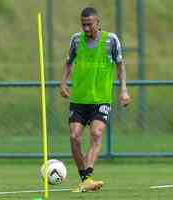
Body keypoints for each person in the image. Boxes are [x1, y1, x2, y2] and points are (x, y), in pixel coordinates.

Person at [60, 7, 131, 192]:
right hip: (79, 99)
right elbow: (68, 62)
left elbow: (120, 66)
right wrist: (63, 83)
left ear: (98, 23)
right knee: (74, 136)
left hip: (101, 99)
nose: (86, 28)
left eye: (89, 24)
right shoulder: (76, 40)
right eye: (83, 24)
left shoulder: (111, 40)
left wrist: (123, 90)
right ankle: (85, 178)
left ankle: (87, 177)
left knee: (96, 133)